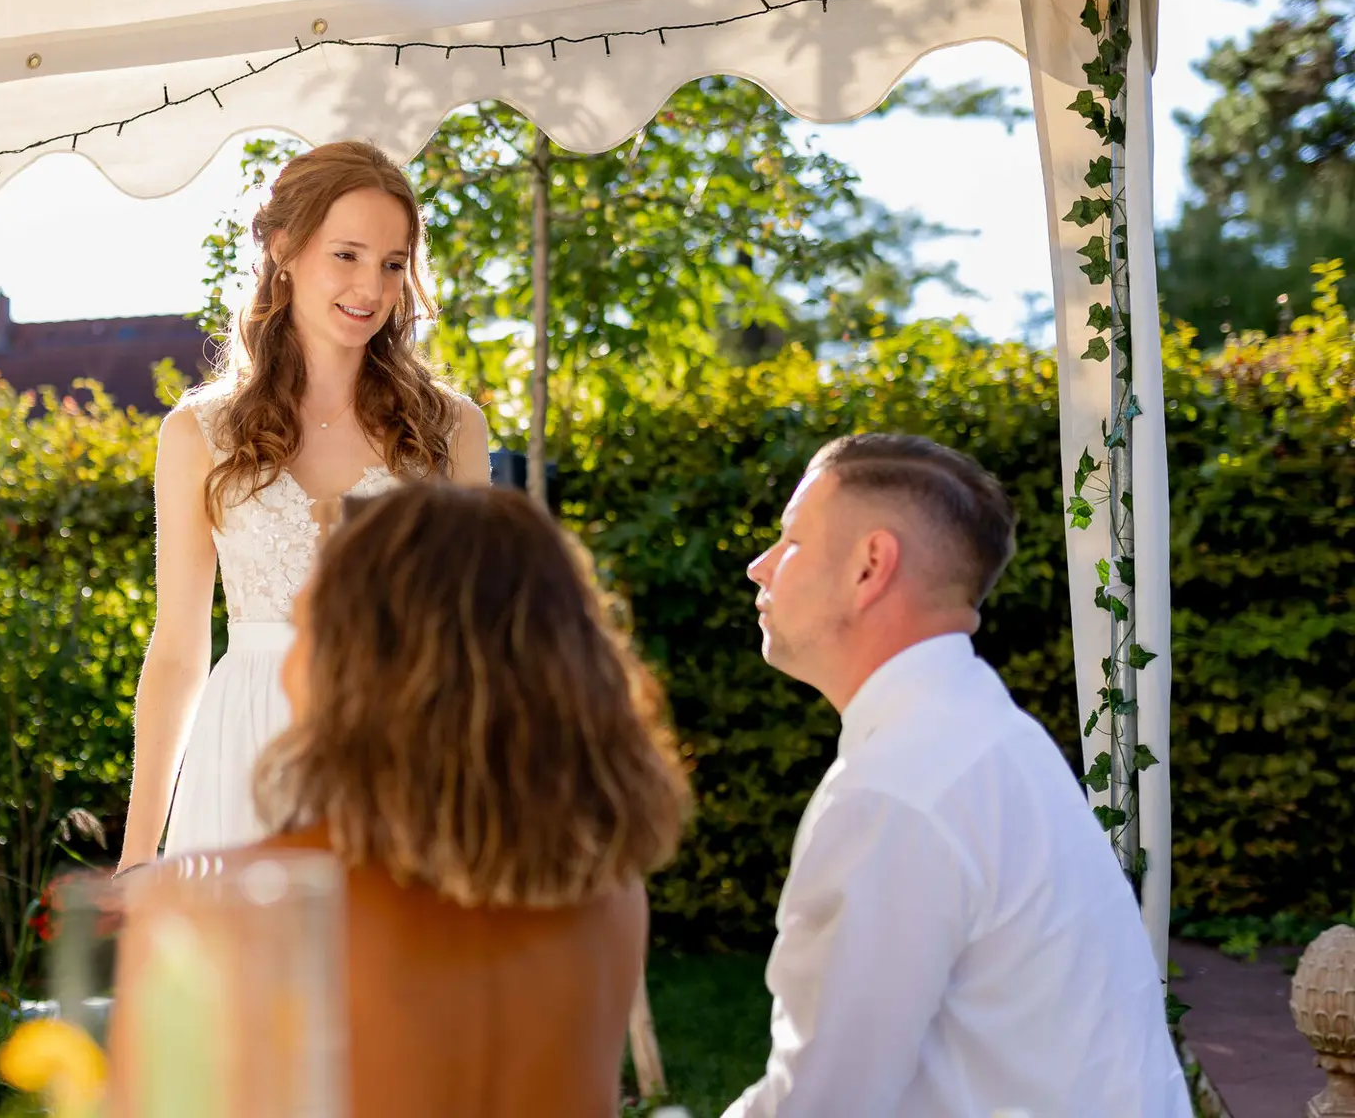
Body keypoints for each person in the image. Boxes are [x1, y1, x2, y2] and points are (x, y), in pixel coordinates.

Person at [111, 483, 690, 1118]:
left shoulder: (234, 907)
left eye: (304, 628)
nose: (286, 665)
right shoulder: (608, 895)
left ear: (362, 669)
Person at [724, 434, 1190, 1118]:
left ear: (870, 566)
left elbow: (822, 1105)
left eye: (791, 541)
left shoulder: (895, 793)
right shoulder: (991, 738)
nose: (758, 567)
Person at [115, 141, 489, 869]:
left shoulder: (450, 429)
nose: (371, 287)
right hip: (245, 757)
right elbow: (179, 652)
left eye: (393, 263)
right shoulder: (200, 434)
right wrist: (137, 851)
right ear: (284, 249)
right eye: (347, 255)